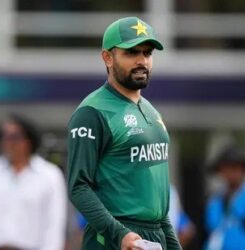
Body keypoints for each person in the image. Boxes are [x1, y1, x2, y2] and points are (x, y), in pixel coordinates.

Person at [67, 17, 181, 250]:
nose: (142, 61)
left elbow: (156, 201)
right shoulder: (92, 112)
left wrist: (172, 243)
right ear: (107, 57)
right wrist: (119, 234)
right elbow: (78, 187)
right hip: (114, 238)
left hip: (153, 237)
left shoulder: (151, 111)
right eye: (131, 53)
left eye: (147, 53)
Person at [0, 114, 67, 250]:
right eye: (4, 137)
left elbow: (54, 224)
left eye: (13, 137)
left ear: (28, 141)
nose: (7, 143)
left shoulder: (49, 175)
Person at [205, 146, 245, 250]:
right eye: (225, 169)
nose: (229, 173)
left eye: (234, 168)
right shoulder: (214, 199)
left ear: (244, 170)